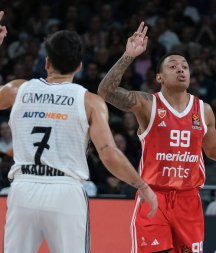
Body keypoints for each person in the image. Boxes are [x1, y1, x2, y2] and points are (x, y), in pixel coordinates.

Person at [0, 14, 157, 253]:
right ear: (79, 66)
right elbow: (109, 155)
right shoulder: (89, 102)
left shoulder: (17, 89)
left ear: (46, 63)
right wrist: (141, 185)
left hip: (23, 188)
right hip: (65, 192)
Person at [97, 22, 216, 253]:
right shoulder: (147, 104)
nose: (181, 70)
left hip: (188, 200)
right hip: (154, 197)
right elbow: (105, 91)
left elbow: (214, 151)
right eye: (173, 66)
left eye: (185, 67)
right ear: (159, 77)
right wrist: (128, 56)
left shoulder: (204, 110)